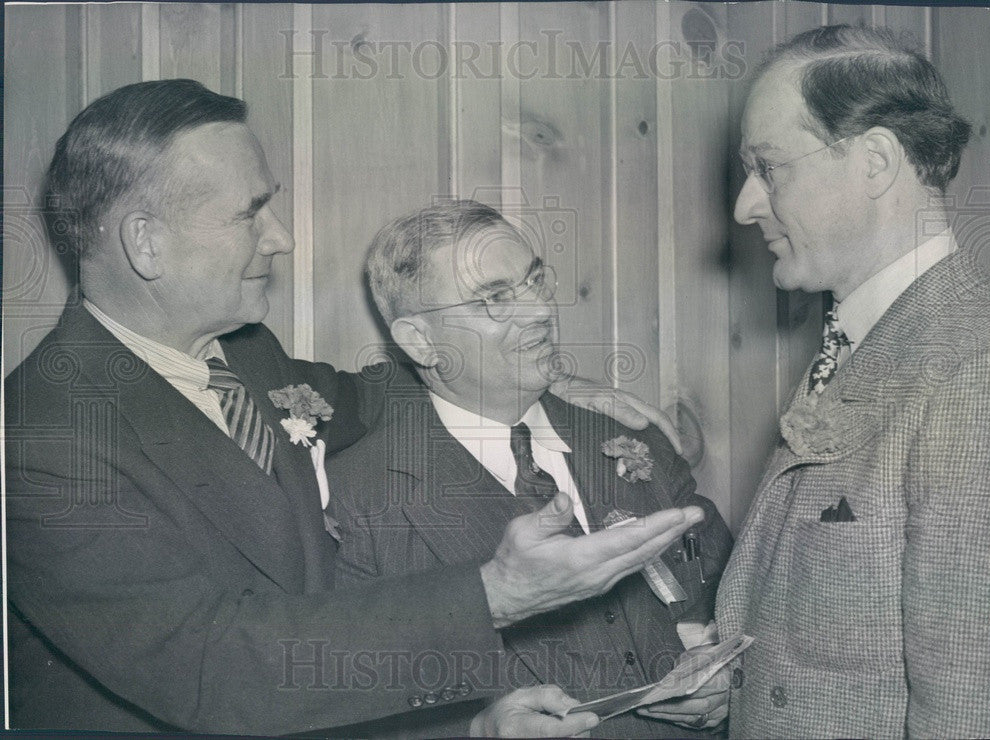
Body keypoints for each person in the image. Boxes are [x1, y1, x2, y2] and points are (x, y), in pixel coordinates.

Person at [3, 79, 703, 736]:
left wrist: (530, 379)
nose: (280, 236)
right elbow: (221, 666)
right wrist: (498, 593)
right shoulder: (40, 441)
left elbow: (367, 393)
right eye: (251, 213)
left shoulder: (244, 353)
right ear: (145, 243)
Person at [664, 24, 990, 738]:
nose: (745, 205)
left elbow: (964, 705)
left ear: (875, 161)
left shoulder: (974, 370)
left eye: (770, 167)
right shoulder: (868, 339)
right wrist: (735, 676)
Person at [326, 200, 733, 738]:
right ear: (421, 341)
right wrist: (472, 731)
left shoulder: (636, 440)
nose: (541, 310)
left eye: (535, 281)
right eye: (495, 298)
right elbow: (341, 697)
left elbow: (732, 591)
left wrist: (729, 677)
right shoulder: (359, 495)